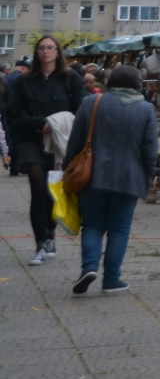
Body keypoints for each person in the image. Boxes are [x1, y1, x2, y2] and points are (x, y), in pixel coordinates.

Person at [69, 64, 159, 296]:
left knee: (92, 224)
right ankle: (111, 279)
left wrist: (68, 170)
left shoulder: (91, 103)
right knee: (119, 229)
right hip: (129, 178)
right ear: (137, 85)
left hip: (91, 176)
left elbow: (75, 141)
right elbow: (150, 150)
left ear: (109, 82)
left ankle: (88, 268)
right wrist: (147, 178)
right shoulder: (145, 109)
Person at [4, 36, 84, 263]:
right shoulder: (24, 81)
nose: (46, 51)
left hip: (61, 142)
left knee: (53, 190)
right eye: (41, 48)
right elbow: (14, 113)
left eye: (50, 48)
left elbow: (80, 109)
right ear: (36, 52)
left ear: (57, 52)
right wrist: (40, 124)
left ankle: (51, 234)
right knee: (38, 191)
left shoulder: (71, 78)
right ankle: (40, 244)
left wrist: (58, 124)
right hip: (33, 140)